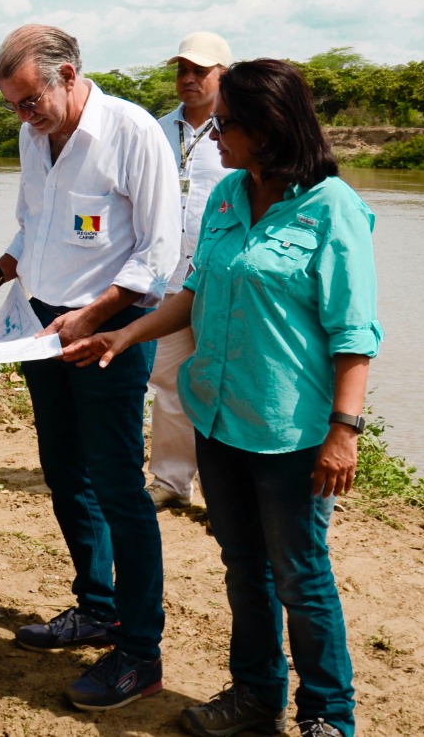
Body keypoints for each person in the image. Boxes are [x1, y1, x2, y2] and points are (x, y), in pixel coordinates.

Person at [64, 59, 382, 737]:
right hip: (219, 419)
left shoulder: (333, 208)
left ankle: (328, 714)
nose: (213, 136)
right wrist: (124, 336)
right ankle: (257, 694)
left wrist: (344, 430)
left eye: (226, 123)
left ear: (267, 127)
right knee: (244, 567)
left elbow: (354, 332)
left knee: (300, 573)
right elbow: (194, 294)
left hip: (291, 432)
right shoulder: (227, 197)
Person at [0, 24, 178, 712]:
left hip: (107, 332)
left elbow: (158, 257)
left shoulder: (133, 135)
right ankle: (97, 606)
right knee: (65, 470)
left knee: (118, 485)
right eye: (14, 105)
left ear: (69, 74)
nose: (24, 115)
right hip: (43, 329)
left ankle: (140, 650)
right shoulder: (34, 134)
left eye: (30, 100)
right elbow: (37, 225)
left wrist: (93, 316)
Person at [147, 31, 232, 509]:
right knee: (171, 382)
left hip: (223, 281)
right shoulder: (157, 130)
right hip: (169, 280)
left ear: (224, 74)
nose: (188, 79)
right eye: (182, 70)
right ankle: (173, 480)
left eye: (200, 70)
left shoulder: (238, 132)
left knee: (228, 382)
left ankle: (227, 492)